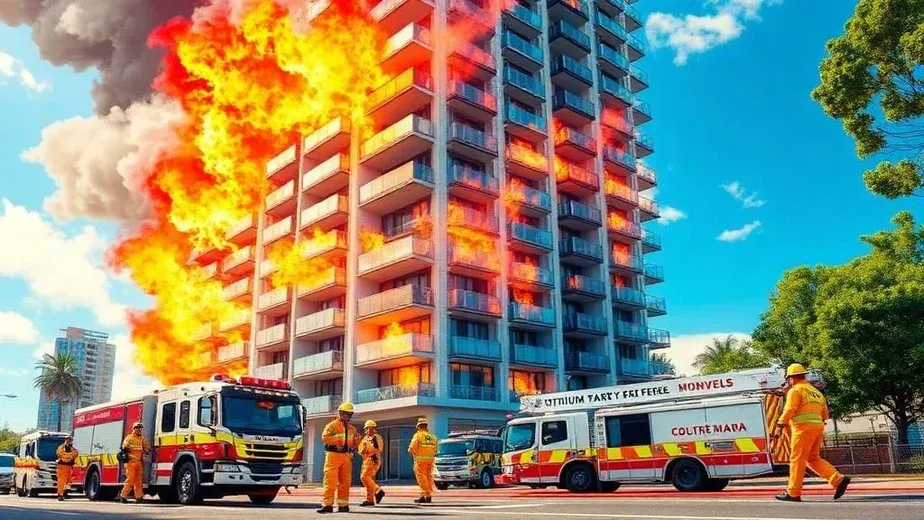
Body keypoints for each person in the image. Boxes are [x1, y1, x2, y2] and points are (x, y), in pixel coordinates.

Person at [774, 363, 851, 502]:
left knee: (797, 460)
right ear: (803, 375)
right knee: (812, 458)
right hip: (818, 428)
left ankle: (793, 493)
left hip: (802, 429)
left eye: (788, 379)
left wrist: (780, 423)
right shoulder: (817, 393)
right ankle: (838, 479)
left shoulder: (796, 390)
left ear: (791, 378)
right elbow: (825, 414)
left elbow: (790, 409)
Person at [318, 402, 359, 514]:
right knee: (330, 481)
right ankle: (328, 505)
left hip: (346, 456)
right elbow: (325, 437)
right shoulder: (332, 425)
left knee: (345, 482)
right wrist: (339, 440)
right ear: (340, 413)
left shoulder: (352, 429)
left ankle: (343, 505)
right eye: (346, 413)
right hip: (333, 455)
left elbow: (355, 442)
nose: (347, 416)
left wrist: (355, 445)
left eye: (349, 414)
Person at [408, 417, 438, 504]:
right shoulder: (432, 436)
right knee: (428, 477)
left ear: (418, 426)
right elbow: (436, 449)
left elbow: (412, 448)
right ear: (426, 426)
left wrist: (411, 451)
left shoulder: (417, 435)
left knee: (421, 478)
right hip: (430, 460)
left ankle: (427, 495)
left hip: (420, 460)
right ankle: (423, 496)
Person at [120, 421, 151, 504]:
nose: (139, 430)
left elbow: (147, 448)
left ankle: (139, 497)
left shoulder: (142, 439)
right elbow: (124, 447)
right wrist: (126, 447)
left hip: (139, 463)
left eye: (140, 428)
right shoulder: (129, 438)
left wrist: (146, 450)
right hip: (131, 462)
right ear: (133, 429)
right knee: (130, 479)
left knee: (138, 481)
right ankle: (123, 496)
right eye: (137, 428)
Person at [357, 420, 385, 507]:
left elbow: (379, 448)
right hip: (366, 460)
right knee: (369, 479)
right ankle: (370, 499)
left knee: (364, 477)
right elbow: (361, 450)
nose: (366, 431)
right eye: (366, 429)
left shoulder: (376, 437)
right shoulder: (365, 439)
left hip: (372, 459)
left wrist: (373, 446)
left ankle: (378, 490)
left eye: (368, 429)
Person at [55, 435, 78, 501]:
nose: (68, 441)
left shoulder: (72, 449)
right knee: (61, 481)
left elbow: (75, 455)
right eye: (67, 439)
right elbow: (61, 454)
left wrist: (71, 455)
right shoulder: (61, 447)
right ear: (65, 440)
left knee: (69, 480)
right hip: (62, 466)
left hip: (69, 466)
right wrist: (69, 457)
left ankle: (64, 492)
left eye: (70, 440)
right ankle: (60, 494)